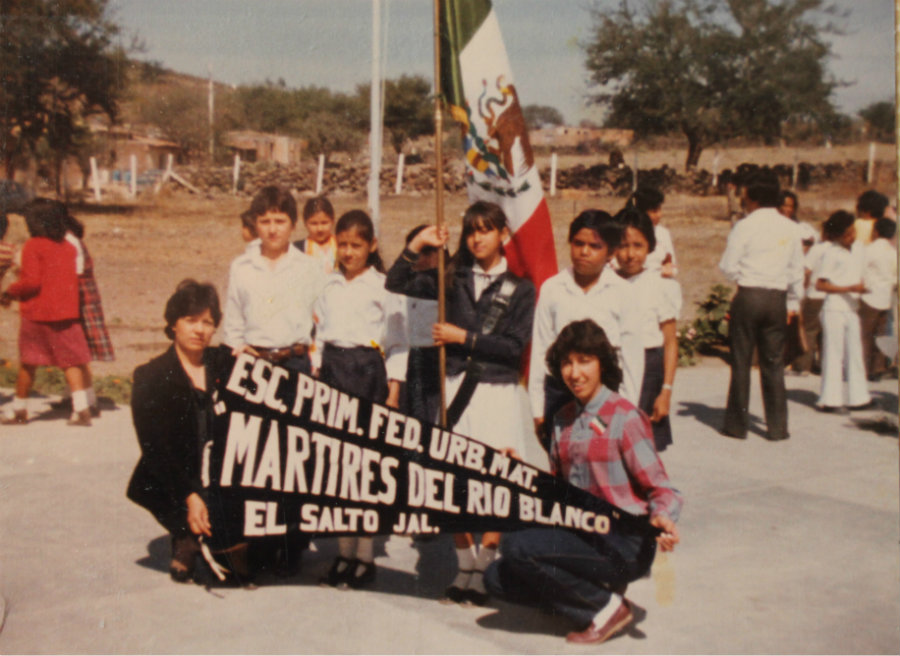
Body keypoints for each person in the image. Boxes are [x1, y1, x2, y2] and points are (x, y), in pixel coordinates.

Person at [485, 319, 682, 645]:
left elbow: (662, 487)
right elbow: (556, 489)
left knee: (516, 546)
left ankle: (605, 608)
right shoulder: (562, 420)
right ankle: (594, 594)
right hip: (583, 533)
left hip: (624, 541)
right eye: (567, 363)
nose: (574, 373)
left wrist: (663, 516)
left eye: (584, 361)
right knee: (496, 579)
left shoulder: (624, 417)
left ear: (602, 364)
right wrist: (516, 471)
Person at [386, 201, 536, 606]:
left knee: (497, 480)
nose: (477, 238)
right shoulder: (449, 277)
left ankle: (486, 566)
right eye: (471, 230)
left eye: (486, 230)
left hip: (497, 392)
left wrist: (463, 339)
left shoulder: (522, 288)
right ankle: (463, 567)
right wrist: (419, 242)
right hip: (454, 388)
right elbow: (395, 281)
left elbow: (514, 346)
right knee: (454, 479)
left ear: (503, 234)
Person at [313, 209, 407, 590]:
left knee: (365, 468)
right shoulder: (328, 284)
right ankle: (343, 553)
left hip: (369, 375)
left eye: (357, 245)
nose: (349, 253)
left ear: (371, 246)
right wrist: (319, 369)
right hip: (333, 375)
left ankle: (365, 557)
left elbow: (398, 343)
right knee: (337, 469)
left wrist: (394, 390)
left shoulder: (385, 288)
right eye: (343, 245)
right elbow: (318, 334)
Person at [126, 280, 227, 582]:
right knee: (158, 478)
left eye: (208, 322)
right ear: (173, 325)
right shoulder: (150, 376)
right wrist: (190, 497)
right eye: (191, 320)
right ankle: (184, 533)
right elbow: (154, 446)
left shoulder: (225, 365)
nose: (200, 330)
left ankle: (209, 534)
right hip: (174, 473)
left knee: (244, 566)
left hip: (218, 471)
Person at [718, 171, 803, 441]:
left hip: (749, 295)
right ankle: (777, 428)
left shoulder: (744, 225)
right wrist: (792, 301)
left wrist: (744, 276)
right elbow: (797, 270)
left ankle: (737, 425)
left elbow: (728, 266)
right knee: (774, 363)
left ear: (751, 197)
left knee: (741, 361)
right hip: (776, 298)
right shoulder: (790, 227)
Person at [0, 199, 92, 426]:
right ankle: (81, 409)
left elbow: (32, 282)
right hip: (67, 314)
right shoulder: (69, 247)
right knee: (71, 361)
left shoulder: (33, 246)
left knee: (28, 363)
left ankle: (20, 408)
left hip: (38, 314)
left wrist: (11, 292)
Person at [221, 185, 325, 374]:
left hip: (297, 364)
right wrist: (238, 350)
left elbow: (322, 322)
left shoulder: (309, 267)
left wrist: (316, 362)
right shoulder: (242, 267)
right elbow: (233, 323)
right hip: (253, 363)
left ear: (293, 224)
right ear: (255, 224)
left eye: (280, 221)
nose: (272, 229)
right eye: (265, 221)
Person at [614, 208, 682, 452]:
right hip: (613, 370)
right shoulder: (605, 283)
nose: (630, 254)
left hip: (649, 371)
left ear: (650, 247)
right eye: (622, 245)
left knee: (643, 451)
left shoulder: (659, 286)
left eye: (638, 245)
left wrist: (665, 391)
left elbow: (671, 342)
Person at [815, 211, 871, 412]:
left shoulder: (859, 249)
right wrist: (848, 288)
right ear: (837, 236)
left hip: (852, 308)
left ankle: (859, 398)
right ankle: (831, 400)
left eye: (853, 231)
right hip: (834, 309)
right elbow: (820, 285)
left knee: (856, 353)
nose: (852, 236)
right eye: (847, 234)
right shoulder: (831, 253)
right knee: (834, 353)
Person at [63, 210, 114, 419]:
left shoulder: (69, 242)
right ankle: (83, 396)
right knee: (77, 353)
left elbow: (73, 273)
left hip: (79, 301)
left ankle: (85, 398)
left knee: (76, 352)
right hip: (82, 299)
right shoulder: (73, 239)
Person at [397, 224, 442, 423]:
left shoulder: (442, 280)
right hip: (413, 355)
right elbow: (393, 280)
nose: (416, 261)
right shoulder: (411, 280)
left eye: (422, 253)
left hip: (435, 356)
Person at [859, 218, 898, 381]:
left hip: (869, 296)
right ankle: (878, 367)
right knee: (881, 334)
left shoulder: (869, 250)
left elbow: (860, 271)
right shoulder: (893, 252)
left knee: (865, 335)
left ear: (876, 232)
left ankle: (863, 368)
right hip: (887, 297)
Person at [790, 228, 829, 375]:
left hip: (815, 295)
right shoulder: (837, 251)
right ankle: (825, 365)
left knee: (808, 330)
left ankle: (803, 365)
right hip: (830, 296)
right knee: (824, 333)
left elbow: (806, 270)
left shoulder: (817, 249)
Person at [628, 186, 677, 277]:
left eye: (660, 210)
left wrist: (668, 269)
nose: (659, 215)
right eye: (654, 211)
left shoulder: (663, 233)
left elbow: (670, 263)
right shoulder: (626, 232)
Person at [293, 196, 337, 274]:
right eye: (314, 223)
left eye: (324, 223)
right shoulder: (297, 249)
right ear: (305, 223)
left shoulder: (341, 245)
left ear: (332, 220)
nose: (319, 229)